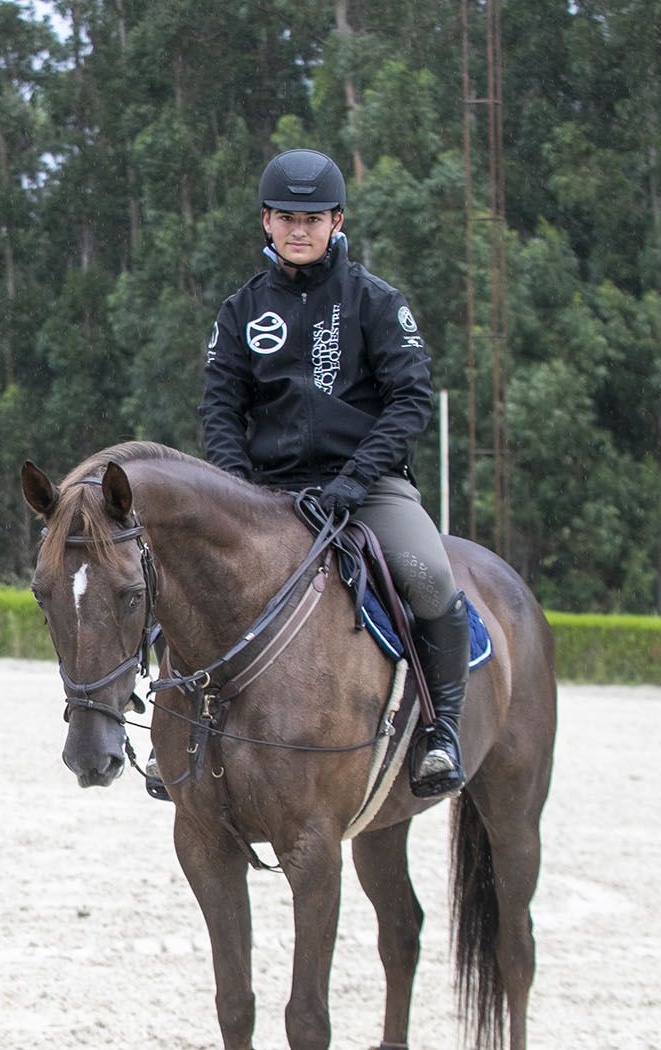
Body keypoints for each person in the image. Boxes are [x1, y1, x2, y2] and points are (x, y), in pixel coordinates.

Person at [198, 148, 468, 798]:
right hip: (267, 495)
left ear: (337, 221)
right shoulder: (239, 312)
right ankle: (182, 738)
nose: (299, 229)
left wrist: (352, 480)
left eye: (312, 218)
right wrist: (240, 491)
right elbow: (219, 410)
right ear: (266, 220)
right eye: (287, 216)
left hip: (367, 487)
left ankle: (442, 730)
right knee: (182, 581)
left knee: (430, 577)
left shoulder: (376, 302)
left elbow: (409, 400)